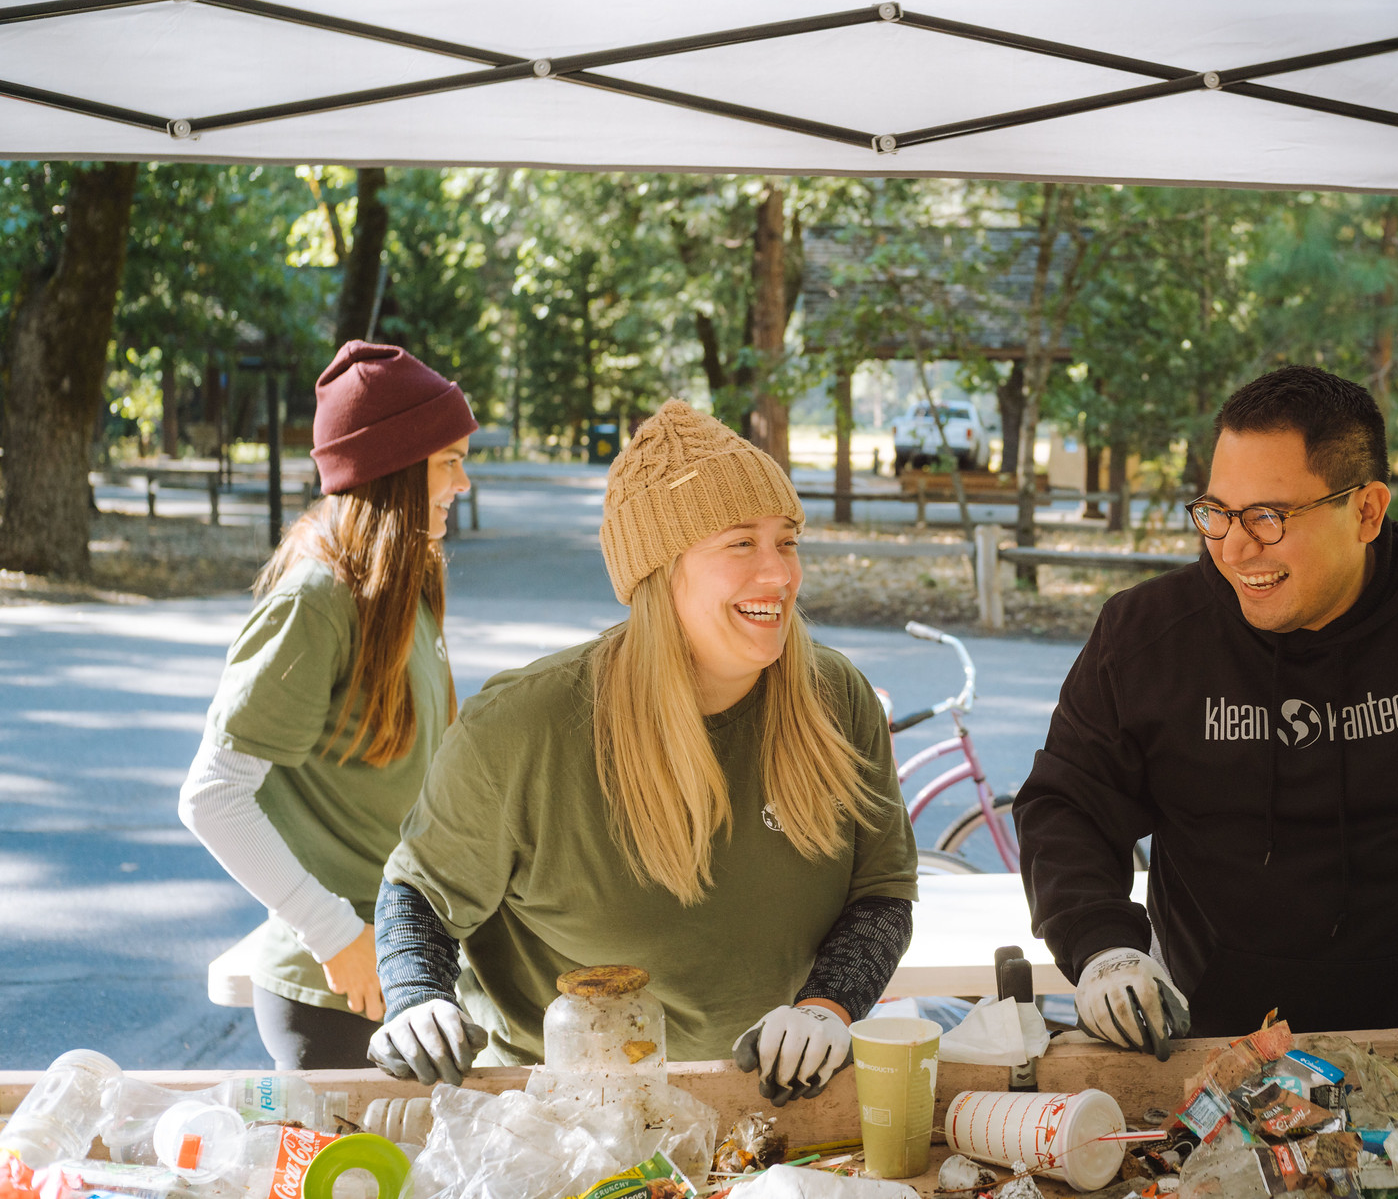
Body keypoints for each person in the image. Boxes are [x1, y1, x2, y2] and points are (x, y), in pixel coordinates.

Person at [1015, 365, 1398, 1084]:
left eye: (1269, 518)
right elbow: (1065, 804)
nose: (1235, 549)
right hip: (1198, 1057)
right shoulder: (1148, 635)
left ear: (1368, 512)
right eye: (1217, 512)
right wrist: (1102, 948)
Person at [369, 401, 918, 1104]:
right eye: (741, 544)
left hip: (763, 1106)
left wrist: (826, 1008)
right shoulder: (523, 726)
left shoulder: (833, 697)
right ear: (661, 572)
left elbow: (881, 893)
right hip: (557, 1116)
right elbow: (417, 891)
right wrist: (416, 996)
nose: (779, 574)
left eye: (788, 541)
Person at [178, 341, 475, 1069]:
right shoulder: (315, 600)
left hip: (412, 960)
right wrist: (338, 937)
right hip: (340, 990)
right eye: (448, 462)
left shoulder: (407, 584)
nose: (463, 483)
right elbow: (212, 797)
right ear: (394, 471)